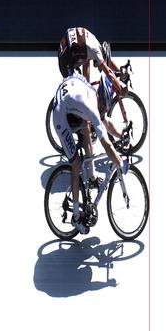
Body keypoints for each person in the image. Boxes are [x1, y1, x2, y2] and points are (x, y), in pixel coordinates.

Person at [52, 73, 129, 234]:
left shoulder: (95, 96)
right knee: (76, 164)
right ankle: (75, 216)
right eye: (103, 107)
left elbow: (104, 120)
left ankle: (91, 176)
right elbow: (106, 143)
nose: (103, 110)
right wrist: (119, 161)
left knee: (87, 126)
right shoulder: (90, 106)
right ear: (100, 99)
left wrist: (122, 136)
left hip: (70, 99)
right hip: (60, 114)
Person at [57, 27, 127, 184]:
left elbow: (105, 66)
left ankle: (83, 110)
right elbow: (108, 72)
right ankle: (82, 130)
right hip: (67, 59)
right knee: (85, 122)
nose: (98, 65)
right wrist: (120, 86)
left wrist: (119, 74)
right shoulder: (94, 50)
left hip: (73, 48)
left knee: (86, 81)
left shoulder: (93, 47)